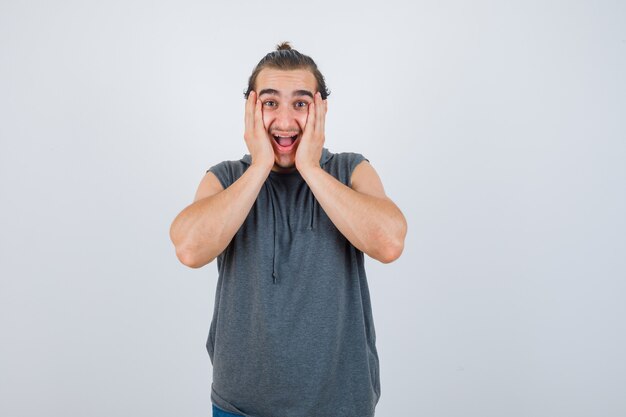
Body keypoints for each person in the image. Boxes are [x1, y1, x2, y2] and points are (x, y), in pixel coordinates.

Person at [169, 42, 407, 417]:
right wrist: (260, 165)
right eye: (270, 103)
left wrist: (311, 168)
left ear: (321, 110)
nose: (284, 120)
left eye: (300, 104)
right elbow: (189, 249)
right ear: (251, 109)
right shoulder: (227, 177)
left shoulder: (350, 170)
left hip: (340, 406)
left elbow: (390, 242)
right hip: (239, 407)